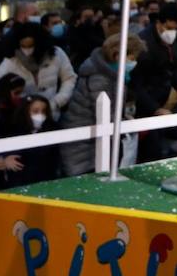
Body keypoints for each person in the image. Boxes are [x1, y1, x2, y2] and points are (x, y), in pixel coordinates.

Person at [60, 33, 146, 176]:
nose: (134, 62)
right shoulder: (100, 78)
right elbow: (106, 115)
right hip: (84, 145)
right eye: (132, 58)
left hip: (91, 141)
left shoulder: (110, 73)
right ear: (118, 55)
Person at [133, 4, 177, 161]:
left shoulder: (174, 39)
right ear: (159, 23)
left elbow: (175, 65)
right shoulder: (143, 43)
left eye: (175, 29)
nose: (172, 32)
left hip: (163, 98)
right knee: (149, 148)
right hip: (144, 103)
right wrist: (154, 108)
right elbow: (137, 84)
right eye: (169, 28)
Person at [0, 22, 77, 120]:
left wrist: (57, 101)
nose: (27, 50)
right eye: (23, 46)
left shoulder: (57, 55)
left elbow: (69, 78)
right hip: (22, 119)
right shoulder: (10, 61)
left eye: (30, 46)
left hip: (52, 115)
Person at [0, 95, 59, 187]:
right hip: (19, 183)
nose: (40, 115)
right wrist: (5, 159)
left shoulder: (52, 129)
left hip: (46, 181)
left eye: (43, 111)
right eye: (35, 111)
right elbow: (3, 151)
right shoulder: (13, 129)